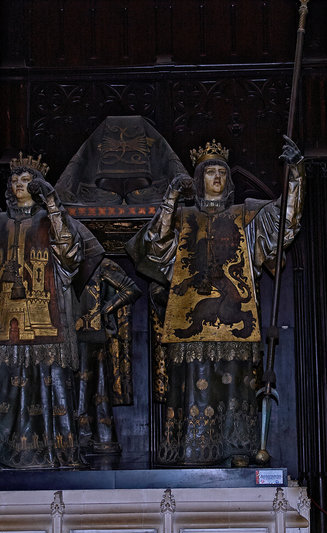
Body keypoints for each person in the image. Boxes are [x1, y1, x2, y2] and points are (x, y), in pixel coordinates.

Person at [126, 136, 304, 467]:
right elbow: (152, 245)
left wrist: (294, 173)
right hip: (190, 317)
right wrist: (170, 199)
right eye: (210, 173)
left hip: (236, 318)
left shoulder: (245, 215)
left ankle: (237, 449)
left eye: (221, 172)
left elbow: (284, 221)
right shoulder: (182, 217)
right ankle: (192, 448)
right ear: (199, 180)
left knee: (236, 386)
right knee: (195, 385)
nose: (217, 178)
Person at [0, 150, 103, 470]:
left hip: (47, 321)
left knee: (49, 383)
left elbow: (71, 255)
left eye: (27, 179)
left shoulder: (53, 222)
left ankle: (59, 450)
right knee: (2, 388)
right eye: (14, 179)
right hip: (4, 323)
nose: (19, 184)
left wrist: (53, 204)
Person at [75, 257, 140, 459]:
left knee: (91, 388)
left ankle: (89, 437)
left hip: (92, 333)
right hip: (65, 334)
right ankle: (77, 437)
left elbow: (131, 289)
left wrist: (105, 309)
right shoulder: (61, 264)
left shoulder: (100, 264)